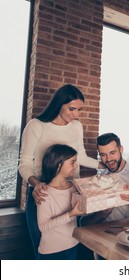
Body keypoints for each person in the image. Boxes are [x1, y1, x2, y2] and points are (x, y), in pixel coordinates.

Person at [18, 84, 103, 259]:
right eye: (72, 109)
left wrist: (105, 165)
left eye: (79, 110)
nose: (76, 115)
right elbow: (24, 164)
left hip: (71, 192)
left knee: (72, 244)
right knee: (46, 248)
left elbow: (81, 157)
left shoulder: (76, 126)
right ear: (59, 104)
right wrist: (37, 184)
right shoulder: (36, 126)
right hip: (43, 193)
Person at [80, 133, 129, 224]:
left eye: (112, 153)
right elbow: (83, 222)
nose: (108, 159)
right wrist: (103, 214)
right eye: (103, 155)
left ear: (121, 149)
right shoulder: (97, 181)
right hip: (107, 234)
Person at [37, 144, 84, 260]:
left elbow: (80, 213)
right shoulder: (44, 193)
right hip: (52, 252)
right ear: (58, 165)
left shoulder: (75, 187)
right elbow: (43, 226)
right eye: (72, 162)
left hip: (74, 245)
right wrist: (71, 214)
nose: (76, 165)